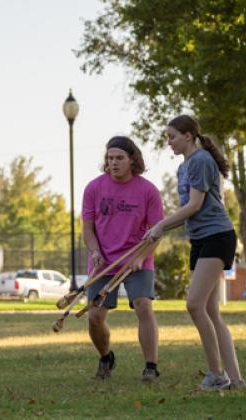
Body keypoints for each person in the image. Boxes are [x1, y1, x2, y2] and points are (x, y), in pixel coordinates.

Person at [146, 115, 245, 390]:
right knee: (211, 310)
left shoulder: (201, 160)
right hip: (200, 239)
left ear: (188, 135)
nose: (169, 142)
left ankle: (217, 375)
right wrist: (158, 229)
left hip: (217, 236)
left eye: (172, 136)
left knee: (194, 304)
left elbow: (195, 205)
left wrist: (160, 225)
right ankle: (235, 379)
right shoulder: (184, 167)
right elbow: (187, 213)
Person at [82, 136, 164, 382]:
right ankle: (106, 357)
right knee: (95, 317)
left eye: (119, 158)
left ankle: (151, 366)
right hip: (103, 261)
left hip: (136, 259)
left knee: (143, 305)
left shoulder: (148, 190)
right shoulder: (94, 188)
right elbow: (87, 229)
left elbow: (157, 231)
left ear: (132, 160)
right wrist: (95, 251)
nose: (113, 163)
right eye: (110, 158)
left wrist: (141, 257)